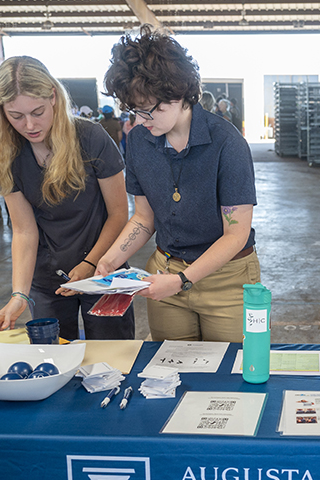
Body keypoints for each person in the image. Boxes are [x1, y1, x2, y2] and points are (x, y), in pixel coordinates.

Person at [99, 25, 260, 342]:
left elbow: (236, 233)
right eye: (134, 110)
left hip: (227, 279)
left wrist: (184, 280)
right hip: (164, 273)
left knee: (233, 375)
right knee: (171, 371)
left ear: (180, 93)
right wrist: (109, 260)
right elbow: (144, 218)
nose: (142, 120)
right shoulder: (140, 142)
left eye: (149, 109)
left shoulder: (227, 143)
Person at [0, 56, 135, 341]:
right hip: (47, 279)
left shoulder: (91, 137)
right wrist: (19, 293)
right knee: (54, 357)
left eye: (38, 111)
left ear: (53, 97)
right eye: (16, 116)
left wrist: (91, 264)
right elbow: (23, 230)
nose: (30, 125)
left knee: (112, 357)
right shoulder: (6, 152)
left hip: (105, 272)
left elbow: (119, 213)